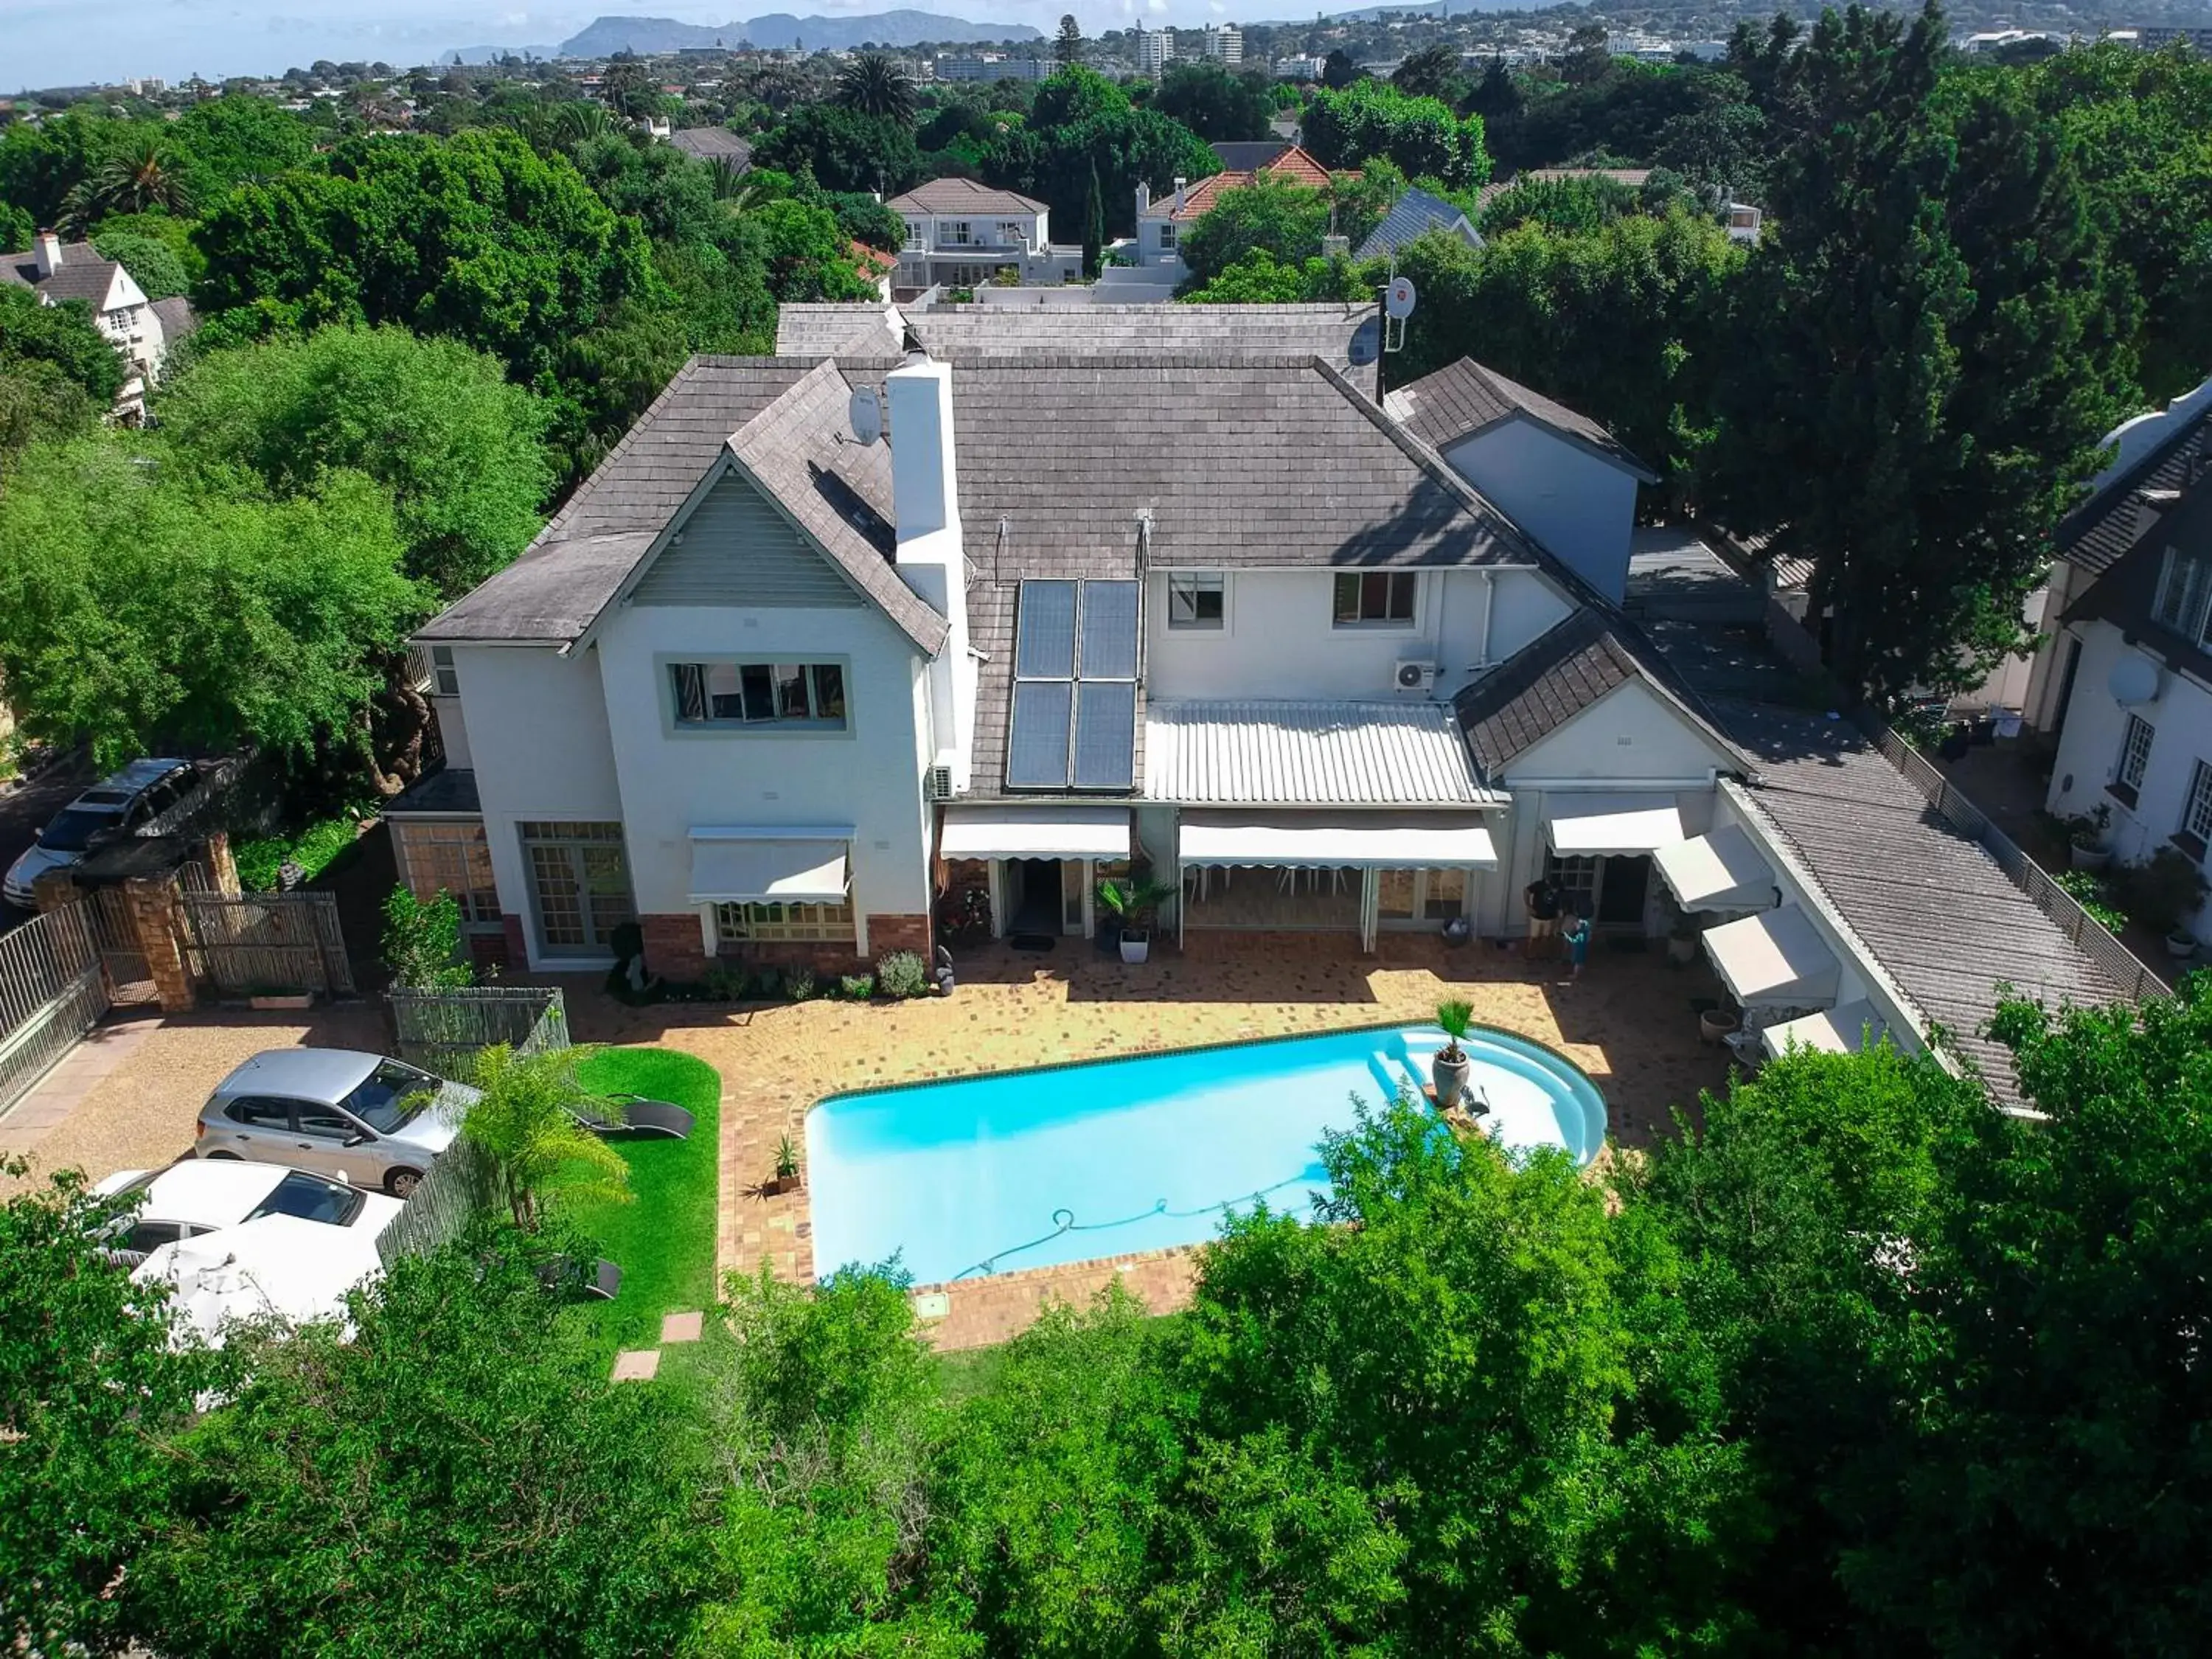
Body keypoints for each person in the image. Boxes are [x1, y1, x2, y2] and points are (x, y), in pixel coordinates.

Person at [1524, 875, 1562, 957]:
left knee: (1548, 937)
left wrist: (1559, 916)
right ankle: (1531, 955)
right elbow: (1526, 891)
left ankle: (1544, 955)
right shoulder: (1539, 885)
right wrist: (1528, 906)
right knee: (1534, 937)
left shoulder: (1559, 884)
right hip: (1537, 916)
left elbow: (1560, 900)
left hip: (1550, 917)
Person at [1564, 911, 1593, 982]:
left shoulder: (1580, 934)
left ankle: (1575, 974)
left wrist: (1567, 936)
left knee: (1577, 961)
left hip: (1578, 949)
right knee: (1581, 960)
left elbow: (1574, 941)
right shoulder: (1586, 932)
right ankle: (1581, 970)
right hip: (1583, 948)